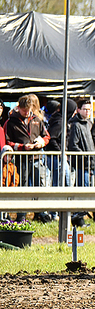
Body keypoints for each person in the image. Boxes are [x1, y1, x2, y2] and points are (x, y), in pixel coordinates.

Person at [3, 94, 52, 222]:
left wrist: (42, 142)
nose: (27, 113)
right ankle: (21, 216)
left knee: (40, 186)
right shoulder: (10, 122)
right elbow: (8, 142)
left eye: (29, 110)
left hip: (37, 158)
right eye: (25, 110)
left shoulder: (37, 119)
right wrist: (22, 147)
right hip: (21, 160)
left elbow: (47, 136)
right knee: (22, 187)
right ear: (18, 108)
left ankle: (40, 213)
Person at [68, 98, 95, 188]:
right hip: (82, 163)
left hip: (90, 162)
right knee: (83, 186)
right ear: (78, 110)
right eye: (85, 109)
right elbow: (73, 144)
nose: (88, 112)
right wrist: (84, 155)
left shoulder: (89, 123)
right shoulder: (75, 125)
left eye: (89, 109)